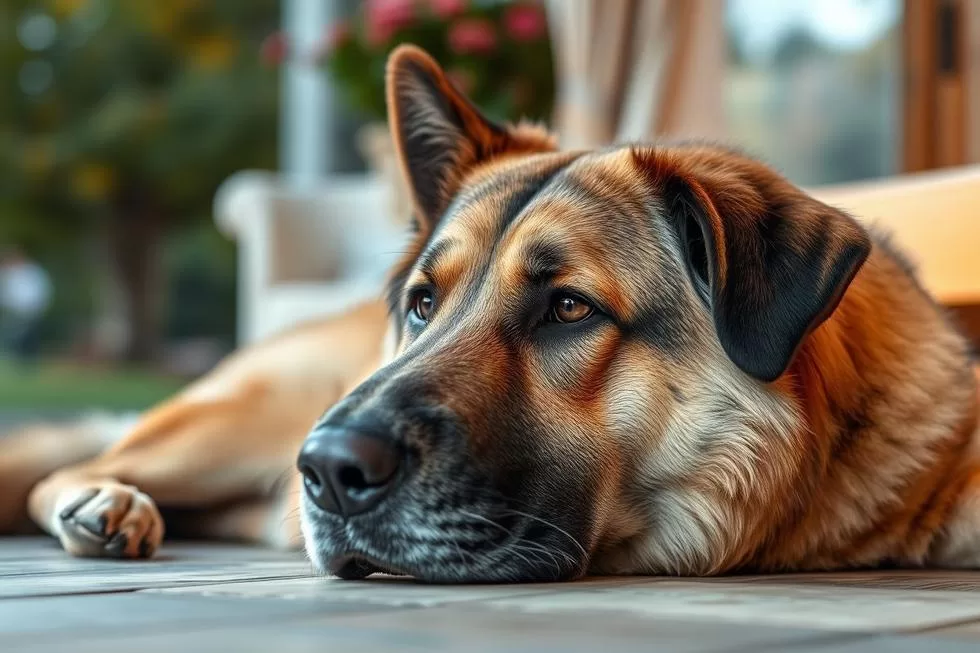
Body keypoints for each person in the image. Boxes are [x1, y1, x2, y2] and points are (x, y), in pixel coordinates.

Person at [0, 247, 52, 366]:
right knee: (12, 336)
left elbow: (40, 291)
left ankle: (28, 362)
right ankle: (13, 360)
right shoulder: (8, 273)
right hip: (13, 311)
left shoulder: (33, 272)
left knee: (28, 337)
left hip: (31, 310)